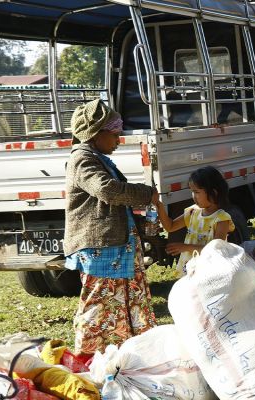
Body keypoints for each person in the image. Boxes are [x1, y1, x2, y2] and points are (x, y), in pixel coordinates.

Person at [64, 99, 157, 359]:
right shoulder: (82, 159)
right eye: (115, 134)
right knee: (98, 307)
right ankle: (86, 360)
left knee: (126, 305)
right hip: (101, 248)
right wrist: (147, 193)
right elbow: (107, 190)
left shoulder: (98, 158)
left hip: (117, 247)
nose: (118, 140)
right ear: (97, 133)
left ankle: (128, 358)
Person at [153, 166, 235, 276]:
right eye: (192, 191)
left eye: (196, 192)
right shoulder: (193, 212)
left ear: (213, 193)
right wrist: (159, 205)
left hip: (209, 271)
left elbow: (216, 250)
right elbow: (170, 226)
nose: (193, 196)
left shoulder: (221, 219)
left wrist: (185, 247)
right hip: (190, 268)